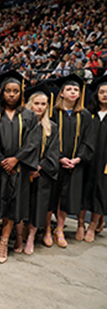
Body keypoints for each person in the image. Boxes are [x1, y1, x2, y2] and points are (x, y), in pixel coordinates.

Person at [0, 70, 40, 263]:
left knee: (11, 207)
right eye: (7, 90)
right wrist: (1, 159)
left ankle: (4, 242)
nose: (11, 94)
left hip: (18, 168)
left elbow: (33, 141)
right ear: (1, 92)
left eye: (15, 91)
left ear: (21, 93)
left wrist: (16, 159)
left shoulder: (29, 116)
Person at [48, 74, 96, 246]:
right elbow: (47, 138)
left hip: (74, 165)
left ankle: (59, 229)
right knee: (51, 195)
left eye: (76, 89)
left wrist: (78, 159)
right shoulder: (52, 112)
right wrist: (60, 157)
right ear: (61, 93)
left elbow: (88, 140)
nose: (73, 92)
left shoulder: (84, 115)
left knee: (65, 197)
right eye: (69, 89)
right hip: (53, 163)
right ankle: (47, 228)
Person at [23, 84, 60, 253]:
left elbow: (54, 152)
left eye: (43, 104)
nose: (40, 107)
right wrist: (28, 166)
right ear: (30, 104)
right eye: (36, 103)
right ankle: (18, 235)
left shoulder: (51, 127)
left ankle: (31, 236)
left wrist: (40, 167)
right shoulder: (21, 123)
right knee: (21, 203)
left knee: (38, 204)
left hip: (42, 173)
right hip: (23, 171)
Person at [82, 75, 107, 242]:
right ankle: (80, 224)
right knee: (83, 189)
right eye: (102, 92)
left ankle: (92, 226)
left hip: (105, 161)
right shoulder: (89, 114)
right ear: (96, 94)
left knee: (101, 192)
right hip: (88, 158)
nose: (105, 95)